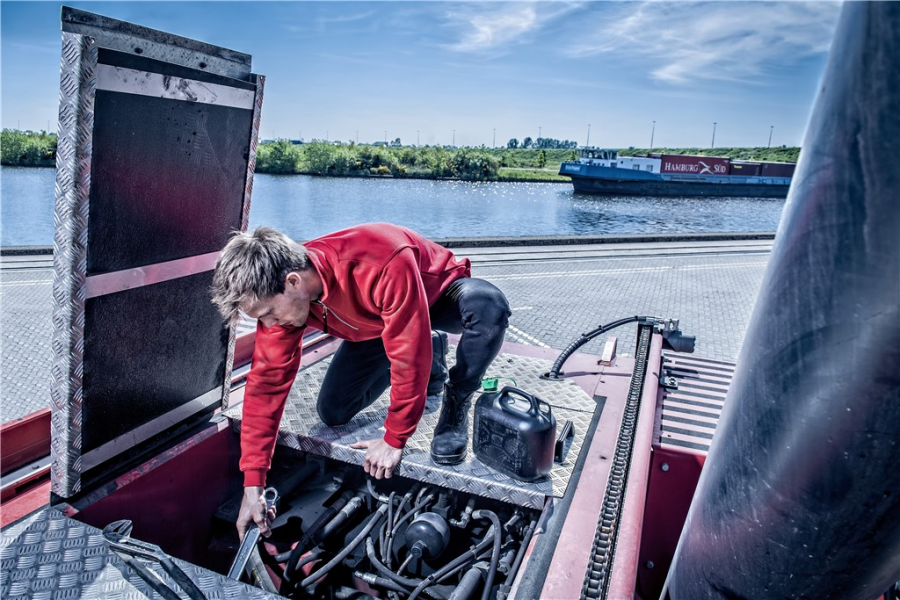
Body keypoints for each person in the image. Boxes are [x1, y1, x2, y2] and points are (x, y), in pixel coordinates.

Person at [212, 223, 511, 538]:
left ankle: (456, 399)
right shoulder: (286, 298)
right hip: (376, 323)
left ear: (293, 281)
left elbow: (409, 355)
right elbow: (265, 386)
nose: (270, 324)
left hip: (434, 297)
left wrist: (394, 438)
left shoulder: (379, 261)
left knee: (488, 307)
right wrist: (253, 485)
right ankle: (433, 354)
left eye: (268, 313)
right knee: (333, 412)